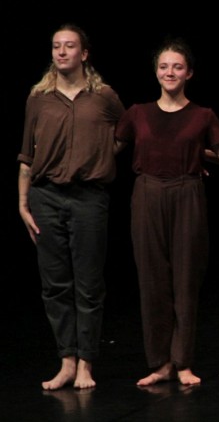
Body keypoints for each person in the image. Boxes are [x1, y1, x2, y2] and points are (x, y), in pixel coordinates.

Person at [115, 37, 219, 386]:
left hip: (187, 193)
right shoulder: (137, 113)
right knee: (152, 279)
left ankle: (182, 361)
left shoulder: (203, 115)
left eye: (177, 67)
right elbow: (107, 149)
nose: (170, 72)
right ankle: (160, 363)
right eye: (164, 66)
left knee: (186, 277)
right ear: (156, 71)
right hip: (148, 193)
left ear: (189, 73)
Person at [18, 23, 125, 390]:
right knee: (55, 285)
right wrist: (22, 202)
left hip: (88, 197)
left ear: (84, 53)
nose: (61, 52)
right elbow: (26, 155)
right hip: (45, 196)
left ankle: (85, 364)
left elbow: (127, 133)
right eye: (56, 46)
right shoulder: (38, 98)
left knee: (89, 284)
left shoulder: (104, 97)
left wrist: (101, 155)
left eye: (69, 46)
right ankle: (66, 360)